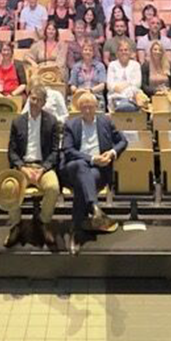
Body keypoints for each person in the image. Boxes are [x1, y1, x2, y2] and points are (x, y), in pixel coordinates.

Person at [60, 92, 126, 237]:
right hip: (74, 166)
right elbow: (68, 150)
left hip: (98, 169)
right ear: (79, 108)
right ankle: (94, 206)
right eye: (84, 107)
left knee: (82, 184)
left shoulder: (106, 122)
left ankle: (76, 230)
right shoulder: (71, 125)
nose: (88, 111)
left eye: (90, 107)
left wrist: (112, 153)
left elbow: (122, 141)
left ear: (96, 107)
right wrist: (91, 159)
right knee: (81, 166)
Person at [4, 85, 62, 250]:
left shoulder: (52, 121)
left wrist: (42, 169)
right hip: (24, 166)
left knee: (53, 187)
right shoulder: (18, 121)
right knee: (10, 187)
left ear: (44, 103)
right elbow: (12, 151)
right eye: (32, 98)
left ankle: (42, 222)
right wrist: (22, 168)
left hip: (42, 167)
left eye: (37, 100)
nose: (34, 102)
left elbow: (54, 152)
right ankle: (16, 225)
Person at [105, 41, 142, 112]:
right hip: (115, 97)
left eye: (126, 50)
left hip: (132, 97)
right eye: (121, 50)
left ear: (130, 52)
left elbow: (137, 84)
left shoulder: (135, 65)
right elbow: (109, 85)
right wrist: (128, 84)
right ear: (117, 53)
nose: (123, 52)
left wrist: (122, 86)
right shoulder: (112, 65)